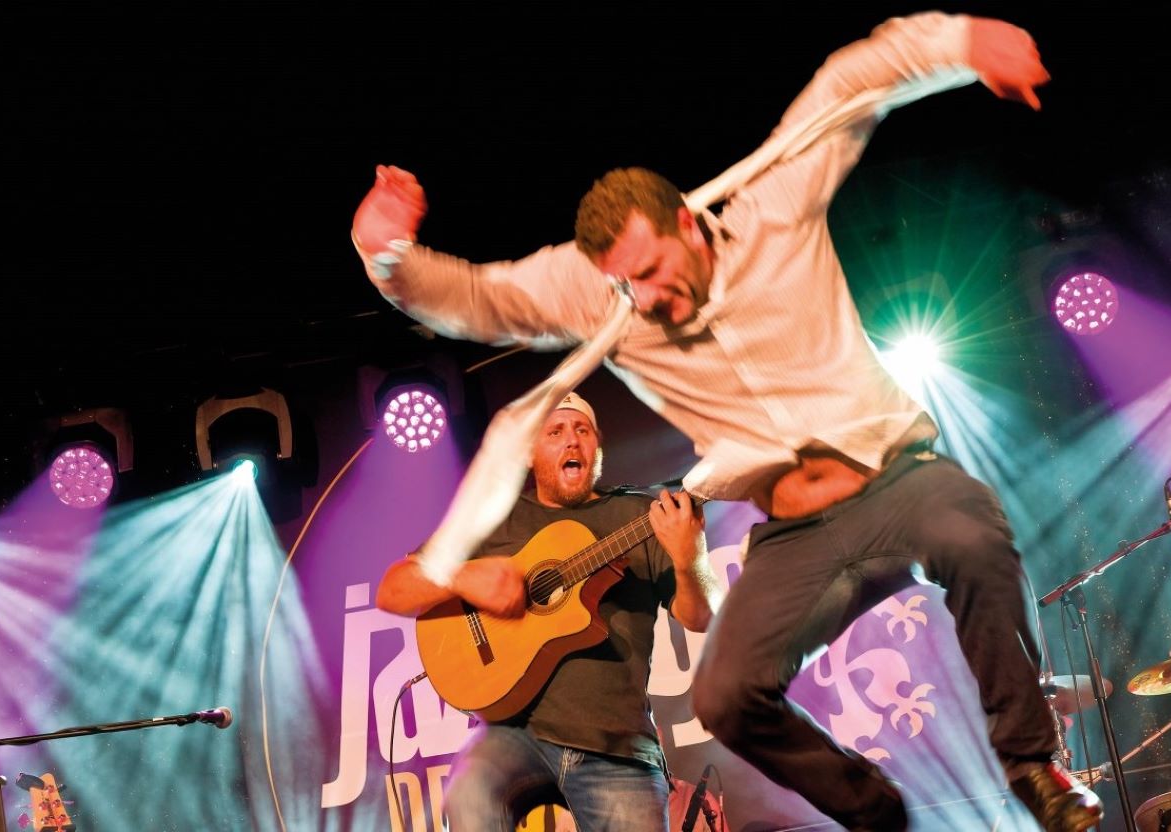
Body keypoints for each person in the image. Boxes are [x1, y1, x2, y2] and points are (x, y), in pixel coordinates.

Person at [352, 12, 1102, 832]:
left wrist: (961, 44)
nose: (642, 300)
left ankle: (1034, 767)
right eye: (622, 286)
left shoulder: (772, 208)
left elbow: (852, 84)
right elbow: (480, 298)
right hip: (798, 533)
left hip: (896, 482)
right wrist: (388, 256)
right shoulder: (596, 289)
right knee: (724, 696)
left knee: (969, 534)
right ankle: (878, 813)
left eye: (651, 272)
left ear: (686, 223)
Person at [376, 392, 723, 832]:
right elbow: (393, 590)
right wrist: (462, 579)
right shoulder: (493, 518)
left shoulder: (642, 515)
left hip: (617, 742)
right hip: (513, 733)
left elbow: (703, 616)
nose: (571, 442)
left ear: (597, 447)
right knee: (468, 797)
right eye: (555, 432)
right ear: (530, 452)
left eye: (582, 431)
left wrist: (690, 558)